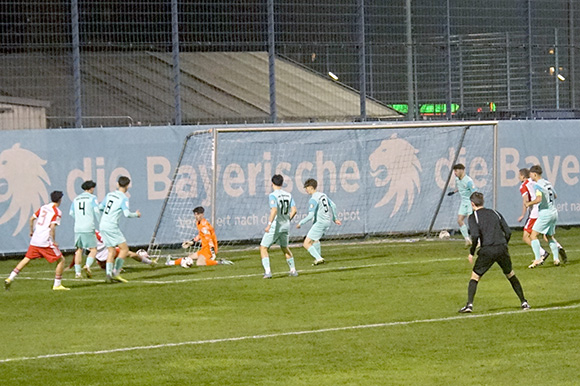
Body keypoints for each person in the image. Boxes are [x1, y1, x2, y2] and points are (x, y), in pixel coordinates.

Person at [459, 192, 530, 313]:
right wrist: (504, 244)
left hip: (487, 250)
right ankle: (524, 302)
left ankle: (469, 305)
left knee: (475, 277)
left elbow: (475, 235)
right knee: (510, 275)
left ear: (472, 204)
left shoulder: (473, 216)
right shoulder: (495, 212)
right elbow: (508, 232)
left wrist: (472, 252)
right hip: (501, 248)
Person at [4, 191, 69, 291]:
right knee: (61, 260)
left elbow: (31, 219)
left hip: (35, 239)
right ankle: (57, 285)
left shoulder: (43, 207)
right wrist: (54, 240)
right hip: (45, 240)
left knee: (26, 259)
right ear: (60, 200)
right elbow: (52, 227)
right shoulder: (56, 212)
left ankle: (10, 278)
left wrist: (31, 231)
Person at [517, 168, 567, 266]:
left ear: (535, 174)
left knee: (532, 235)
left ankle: (539, 257)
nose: (530, 176)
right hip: (554, 212)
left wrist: (528, 204)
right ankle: (556, 258)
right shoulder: (547, 183)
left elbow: (538, 199)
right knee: (548, 236)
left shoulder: (537, 186)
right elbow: (555, 196)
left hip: (543, 213)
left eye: (531, 174)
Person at [99, 176, 141, 283]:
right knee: (124, 249)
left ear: (117, 184)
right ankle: (116, 272)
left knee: (111, 251)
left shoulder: (109, 194)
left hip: (103, 224)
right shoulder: (123, 198)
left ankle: (108, 274)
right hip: (112, 226)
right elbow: (127, 214)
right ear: (127, 186)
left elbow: (100, 207)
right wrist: (136, 214)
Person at [166, 206, 233, 267]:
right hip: (204, 248)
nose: (196, 216)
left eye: (197, 214)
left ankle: (220, 262)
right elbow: (200, 235)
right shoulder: (199, 223)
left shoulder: (205, 226)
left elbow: (209, 239)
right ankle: (170, 262)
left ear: (202, 214)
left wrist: (212, 251)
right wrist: (192, 241)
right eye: (195, 214)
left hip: (209, 249)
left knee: (199, 263)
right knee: (189, 257)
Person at [67, 230, 157, 276]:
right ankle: (150, 262)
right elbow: (106, 240)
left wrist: (70, 266)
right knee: (130, 253)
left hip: (100, 259)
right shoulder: (95, 232)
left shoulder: (81, 236)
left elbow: (77, 253)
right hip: (109, 253)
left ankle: (79, 272)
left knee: (105, 265)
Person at [296, 178, 341, 265]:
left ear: (311, 187)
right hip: (327, 222)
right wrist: (335, 218)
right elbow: (333, 205)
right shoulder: (323, 195)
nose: (306, 190)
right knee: (315, 240)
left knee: (306, 243)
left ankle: (319, 258)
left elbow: (310, 216)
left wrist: (300, 223)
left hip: (320, 223)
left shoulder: (313, 199)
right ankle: (319, 259)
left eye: (306, 187)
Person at [260, 174, 297, 279]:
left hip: (276, 226)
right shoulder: (288, 195)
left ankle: (268, 272)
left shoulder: (273, 195)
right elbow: (294, 210)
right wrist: (287, 219)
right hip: (286, 225)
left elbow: (274, 210)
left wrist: (269, 224)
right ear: (282, 183)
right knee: (285, 248)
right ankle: (293, 270)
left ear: (272, 184)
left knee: (263, 247)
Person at [69, 180, 101, 279]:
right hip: (88, 226)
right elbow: (96, 211)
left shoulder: (76, 199)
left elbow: (71, 213)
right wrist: (101, 223)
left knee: (78, 250)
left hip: (78, 227)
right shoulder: (92, 198)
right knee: (93, 249)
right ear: (91, 188)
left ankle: (77, 273)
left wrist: (79, 219)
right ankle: (87, 265)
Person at [448, 163, 477, 247]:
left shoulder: (468, 181)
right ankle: (467, 239)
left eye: (456, 171)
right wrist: (454, 192)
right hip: (463, 202)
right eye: (454, 171)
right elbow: (461, 188)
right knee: (459, 220)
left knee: (471, 221)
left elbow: (474, 191)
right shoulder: (457, 179)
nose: (455, 173)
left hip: (469, 202)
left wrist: (474, 204)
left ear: (462, 170)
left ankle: (478, 241)